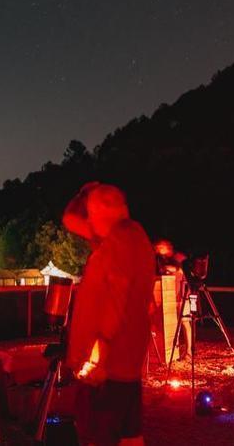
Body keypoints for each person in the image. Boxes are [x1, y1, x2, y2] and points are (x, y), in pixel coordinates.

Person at [64, 182, 155, 446]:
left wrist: (98, 353)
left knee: (98, 436)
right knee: (129, 436)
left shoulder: (120, 240)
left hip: (107, 366)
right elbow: (70, 220)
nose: (88, 221)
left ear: (100, 213)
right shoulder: (128, 236)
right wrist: (83, 195)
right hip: (124, 362)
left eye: (91, 214)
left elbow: (117, 297)